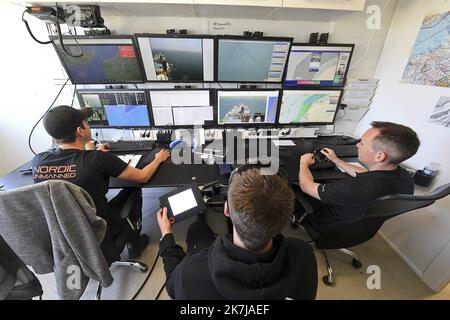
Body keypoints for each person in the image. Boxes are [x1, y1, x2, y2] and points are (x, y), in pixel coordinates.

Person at [32, 105, 170, 263]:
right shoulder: (97, 160)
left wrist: (88, 152)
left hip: (65, 233)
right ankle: (134, 244)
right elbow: (143, 176)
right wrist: (158, 158)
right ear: (80, 131)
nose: (88, 125)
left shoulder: (39, 161)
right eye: (86, 123)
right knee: (133, 189)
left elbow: (69, 162)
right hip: (101, 229)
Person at [157, 165, 318, 300]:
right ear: (286, 217)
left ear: (226, 209)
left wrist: (167, 235)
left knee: (197, 229)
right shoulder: (303, 255)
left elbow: (172, 285)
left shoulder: (191, 272)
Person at [298, 121, 420, 233]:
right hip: (361, 230)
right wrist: (336, 160)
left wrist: (304, 163)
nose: (357, 145)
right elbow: (367, 174)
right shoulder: (405, 177)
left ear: (379, 156)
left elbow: (306, 186)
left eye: (362, 143)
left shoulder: (352, 188)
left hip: (328, 227)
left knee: (293, 187)